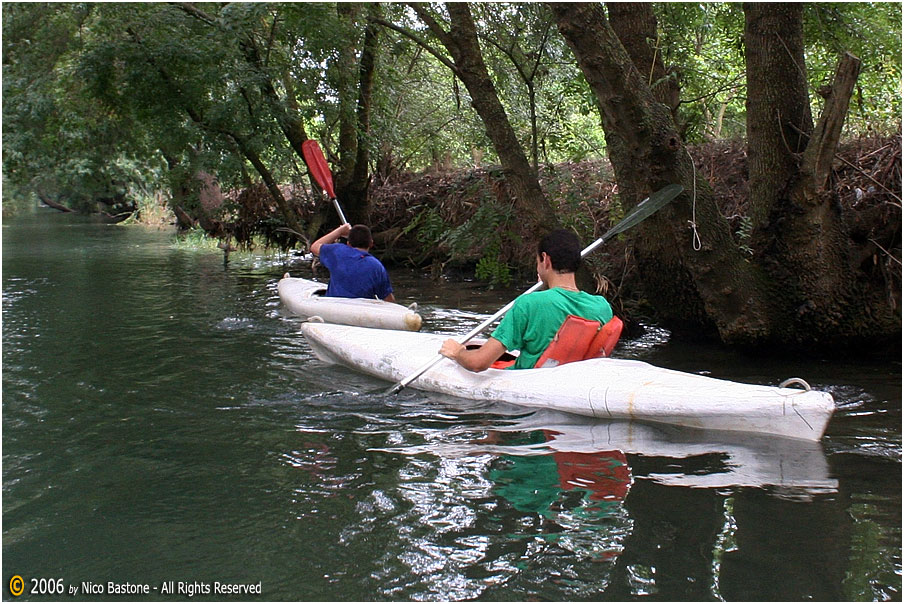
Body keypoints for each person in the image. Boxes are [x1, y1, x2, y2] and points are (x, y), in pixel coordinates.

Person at [439, 229, 612, 371]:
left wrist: (457, 352)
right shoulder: (602, 306)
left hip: (527, 386)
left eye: (538, 260)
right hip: (570, 379)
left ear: (545, 259)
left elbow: (478, 363)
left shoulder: (528, 304)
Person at [310, 223, 395, 302]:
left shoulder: (337, 251)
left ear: (348, 243)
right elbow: (388, 299)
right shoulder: (377, 266)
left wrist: (340, 231)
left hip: (334, 306)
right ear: (371, 243)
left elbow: (314, 247)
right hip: (361, 310)